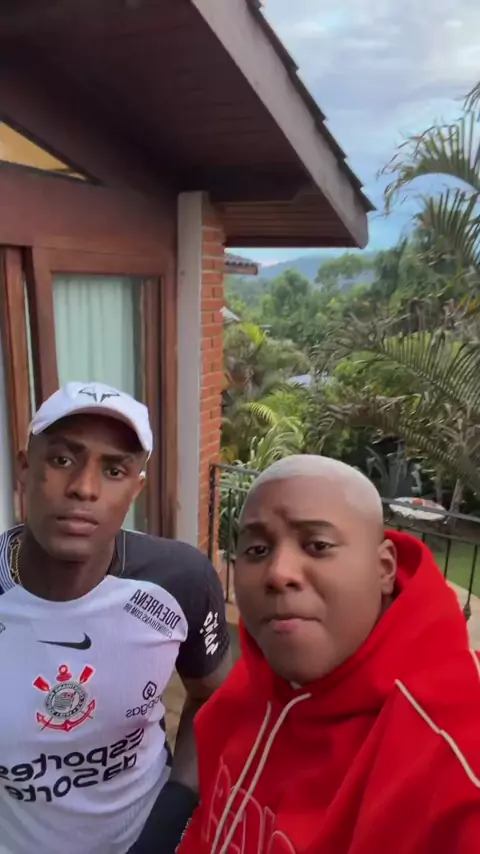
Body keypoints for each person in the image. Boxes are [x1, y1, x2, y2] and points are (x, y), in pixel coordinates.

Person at [177, 454, 480, 854]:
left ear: (384, 568)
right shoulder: (254, 676)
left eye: (318, 546)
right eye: (257, 550)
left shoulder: (455, 750)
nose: (278, 572)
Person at [0, 381, 231, 854]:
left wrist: (173, 810)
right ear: (24, 468)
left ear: (136, 489)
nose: (84, 488)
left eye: (114, 470)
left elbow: (216, 699)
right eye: (61, 459)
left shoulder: (179, 580)